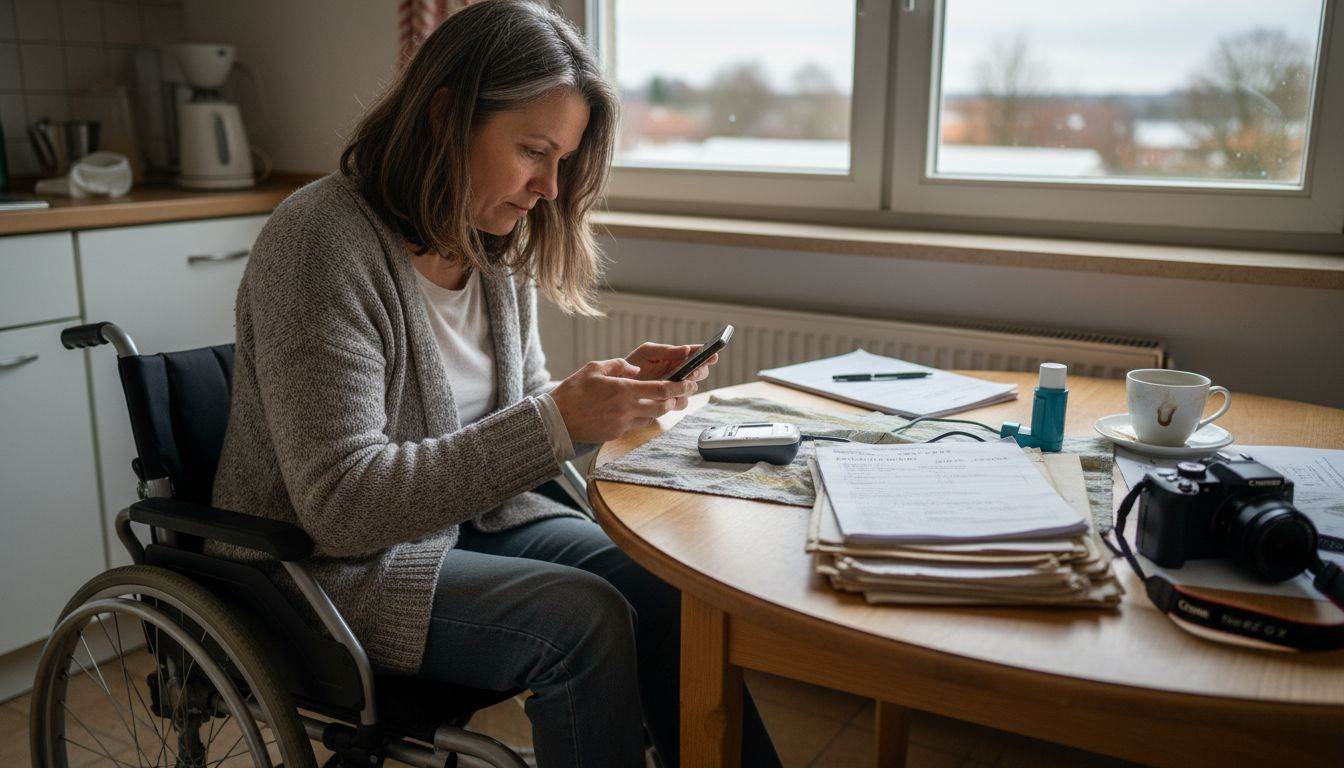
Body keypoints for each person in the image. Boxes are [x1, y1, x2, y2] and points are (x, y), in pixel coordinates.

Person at [211, 1, 782, 766]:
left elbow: (518, 422)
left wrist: (602, 402)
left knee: (669, 586)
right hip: (329, 571)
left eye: (565, 159)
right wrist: (557, 420)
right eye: (534, 151)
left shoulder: (490, 242)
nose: (551, 186)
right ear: (445, 117)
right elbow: (343, 508)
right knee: (585, 618)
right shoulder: (318, 242)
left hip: (479, 523)